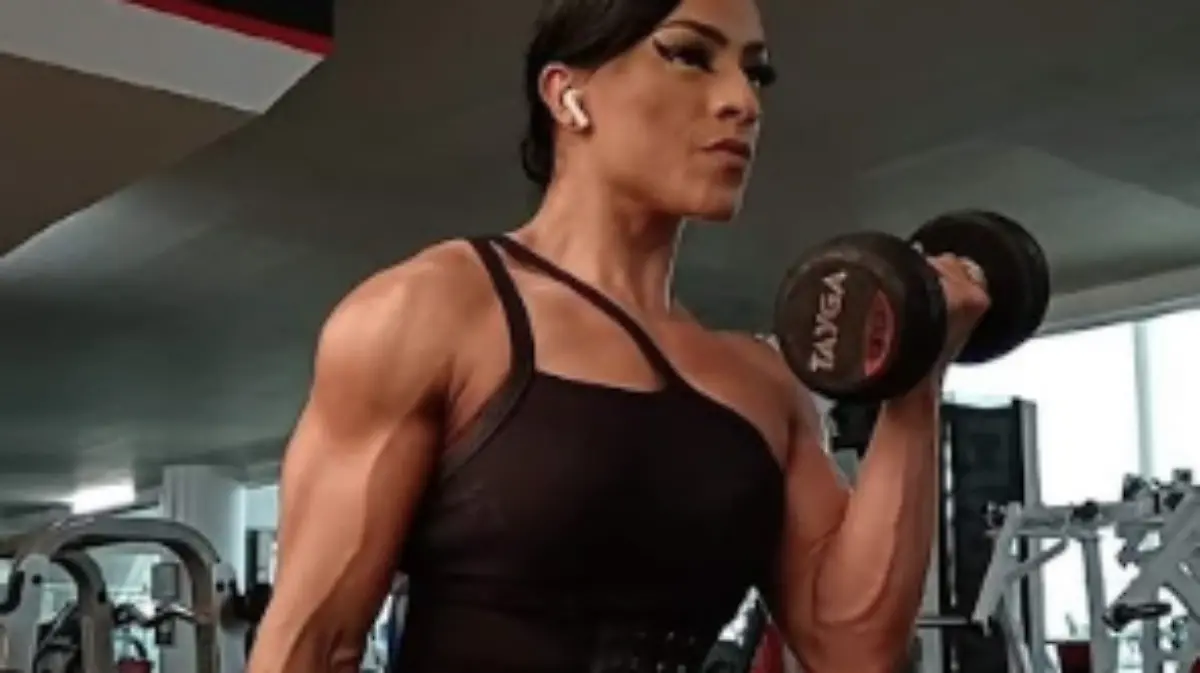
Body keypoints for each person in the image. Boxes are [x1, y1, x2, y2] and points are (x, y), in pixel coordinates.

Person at [246, 0, 990, 671]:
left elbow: (854, 649)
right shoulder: (436, 310)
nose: (742, 101)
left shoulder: (761, 383)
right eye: (690, 55)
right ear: (567, 94)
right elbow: (310, 645)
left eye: (756, 72)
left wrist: (917, 377)